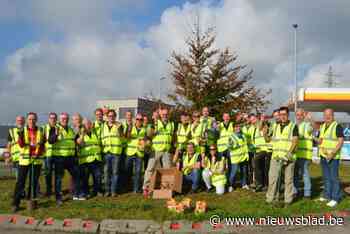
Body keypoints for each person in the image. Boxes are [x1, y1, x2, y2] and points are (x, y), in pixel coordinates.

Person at [266, 107, 298, 207]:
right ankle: (270, 199)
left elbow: (295, 141)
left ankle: (288, 200)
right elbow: (268, 139)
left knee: (288, 180)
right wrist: (264, 133)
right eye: (281, 114)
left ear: (288, 115)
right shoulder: (274, 126)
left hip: (289, 157)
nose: (282, 116)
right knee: (272, 179)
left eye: (284, 114)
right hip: (276, 157)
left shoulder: (293, 126)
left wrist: (288, 154)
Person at [12, 112, 44, 212]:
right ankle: (15, 203)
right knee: (20, 182)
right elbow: (21, 145)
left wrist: (39, 152)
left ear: (36, 120)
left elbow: (43, 144)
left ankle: (31, 201)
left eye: (33, 119)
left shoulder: (41, 130)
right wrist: (21, 136)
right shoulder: (22, 130)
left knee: (33, 182)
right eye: (30, 119)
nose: (31, 121)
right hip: (24, 160)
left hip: (36, 160)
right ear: (27, 120)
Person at [49, 112, 80, 206]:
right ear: (59, 119)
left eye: (66, 118)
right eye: (63, 118)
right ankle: (58, 198)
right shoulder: (54, 128)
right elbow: (50, 141)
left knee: (76, 174)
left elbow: (75, 141)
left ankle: (74, 192)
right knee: (59, 178)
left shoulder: (71, 129)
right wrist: (56, 135)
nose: (64, 120)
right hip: (59, 157)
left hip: (70, 157)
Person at [143, 108, 174, 195]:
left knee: (167, 170)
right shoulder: (155, 123)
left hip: (166, 150)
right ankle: (146, 188)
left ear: (169, 115)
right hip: (156, 150)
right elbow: (148, 135)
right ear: (160, 115)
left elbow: (172, 137)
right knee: (150, 169)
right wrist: (154, 128)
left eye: (166, 114)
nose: (165, 116)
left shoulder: (171, 124)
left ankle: (166, 190)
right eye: (163, 114)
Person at [318, 108, 344, 207]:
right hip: (324, 156)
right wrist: (318, 142)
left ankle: (335, 198)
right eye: (325, 115)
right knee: (326, 177)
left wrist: (332, 153)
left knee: (334, 178)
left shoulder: (337, 126)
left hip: (333, 157)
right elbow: (321, 140)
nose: (327, 117)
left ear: (333, 115)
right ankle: (327, 196)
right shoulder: (322, 126)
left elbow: (340, 141)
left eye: (329, 115)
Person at [76, 118, 103, 199]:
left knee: (97, 177)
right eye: (86, 124)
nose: (88, 126)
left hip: (96, 159)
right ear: (83, 125)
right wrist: (82, 135)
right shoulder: (79, 134)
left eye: (89, 124)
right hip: (85, 160)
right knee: (85, 178)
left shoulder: (95, 133)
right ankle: (86, 192)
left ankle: (97, 191)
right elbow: (79, 143)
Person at [101, 109, 124, 197]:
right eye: (109, 116)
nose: (111, 117)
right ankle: (107, 191)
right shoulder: (103, 126)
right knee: (106, 172)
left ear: (115, 116)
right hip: (106, 152)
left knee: (115, 173)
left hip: (116, 152)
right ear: (107, 117)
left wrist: (119, 130)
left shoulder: (119, 125)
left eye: (113, 116)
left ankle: (113, 191)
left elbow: (122, 137)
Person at [294, 108, 313, 199]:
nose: (299, 117)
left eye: (301, 115)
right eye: (297, 115)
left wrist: (309, 119)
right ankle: (295, 191)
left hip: (305, 155)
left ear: (303, 115)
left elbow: (310, 129)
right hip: (296, 154)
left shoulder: (306, 125)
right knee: (295, 174)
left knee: (304, 174)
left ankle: (307, 193)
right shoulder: (295, 126)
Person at [125, 113, 146, 193]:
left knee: (138, 172)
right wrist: (129, 128)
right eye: (137, 119)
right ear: (135, 119)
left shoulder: (144, 129)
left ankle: (136, 189)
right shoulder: (130, 127)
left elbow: (147, 139)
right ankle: (127, 187)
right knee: (128, 171)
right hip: (130, 152)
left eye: (141, 119)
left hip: (139, 153)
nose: (139, 121)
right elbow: (127, 136)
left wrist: (145, 143)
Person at [227, 122, 249, 192]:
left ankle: (244, 184)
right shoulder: (232, 136)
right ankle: (230, 185)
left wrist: (247, 154)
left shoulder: (243, 135)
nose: (238, 128)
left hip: (243, 156)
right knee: (234, 172)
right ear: (233, 128)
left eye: (239, 126)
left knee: (244, 171)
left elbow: (245, 145)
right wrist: (232, 145)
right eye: (236, 127)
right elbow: (229, 147)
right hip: (235, 157)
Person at [42, 112, 58, 197]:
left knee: (57, 174)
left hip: (57, 154)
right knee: (48, 173)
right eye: (51, 118)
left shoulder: (59, 128)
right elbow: (42, 140)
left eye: (54, 118)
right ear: (48, 119)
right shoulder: (44, 128)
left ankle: (57, 190)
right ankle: (49, 190)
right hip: (47, 154)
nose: (53, 119)